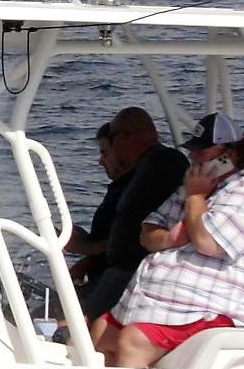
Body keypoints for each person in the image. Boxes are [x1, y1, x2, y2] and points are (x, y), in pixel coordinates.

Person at [96, 113, 244, 369]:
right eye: (193, 151)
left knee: (134, 341)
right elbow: (148, 233)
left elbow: (207, 242)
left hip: (215, 308)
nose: (194, 158)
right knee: (99, 332)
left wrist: (195, 198)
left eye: (202, 152)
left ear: (229, 154)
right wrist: (171, 238)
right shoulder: (194, 185)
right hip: (165, 304)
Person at [63, 108, 189, 324]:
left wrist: (85, 247)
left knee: (67, 323)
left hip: (130, 274)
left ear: (123, 137)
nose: (103, 158)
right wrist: (89, 260)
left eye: (110, 143)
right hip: (118, 272)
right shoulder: (143, 170)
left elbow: (136, 233)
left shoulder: (163, 163)